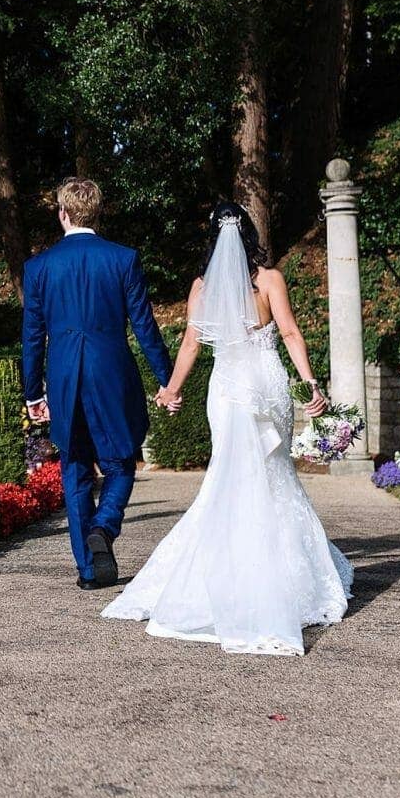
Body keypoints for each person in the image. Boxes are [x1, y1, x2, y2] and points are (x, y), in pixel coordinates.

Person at [102, 201, 354, 655]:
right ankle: (284, 581)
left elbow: (192, 344)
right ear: (250, 234)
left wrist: (171, 390)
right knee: (275, 475)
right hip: (267, 382)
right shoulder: (270, 278)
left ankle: (222, 577)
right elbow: (292, 334)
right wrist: (311, 383)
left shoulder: (203, 285)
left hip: (228, 388)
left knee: (228, 476)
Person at [22, 178, 173, 590]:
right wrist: (169, 379)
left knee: (74, 468)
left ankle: (89, 570)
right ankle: (104, 527)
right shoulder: (123, 259)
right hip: (112, 374)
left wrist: (33, 392)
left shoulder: (39, 267)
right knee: (121, 461)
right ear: (97, 212)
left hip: (65, 377)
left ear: (63, 213)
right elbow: (145, 327)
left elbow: (33, 336)